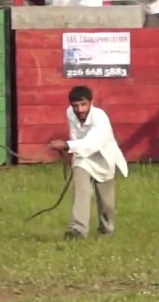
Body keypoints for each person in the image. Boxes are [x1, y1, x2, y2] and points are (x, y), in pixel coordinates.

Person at [47, 85, 128, 240]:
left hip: (104, 159)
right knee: (81, 192)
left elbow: (93, 143)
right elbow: (75, 134)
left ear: (91, 102)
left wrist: (67, 145)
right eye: (75, 105)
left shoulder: (100, 117)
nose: (79, 109)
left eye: (83, 104)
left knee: (106, 204)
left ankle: (106, 230)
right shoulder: (70, 113)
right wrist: (72, 153)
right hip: (83, 159)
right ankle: (77, 230)